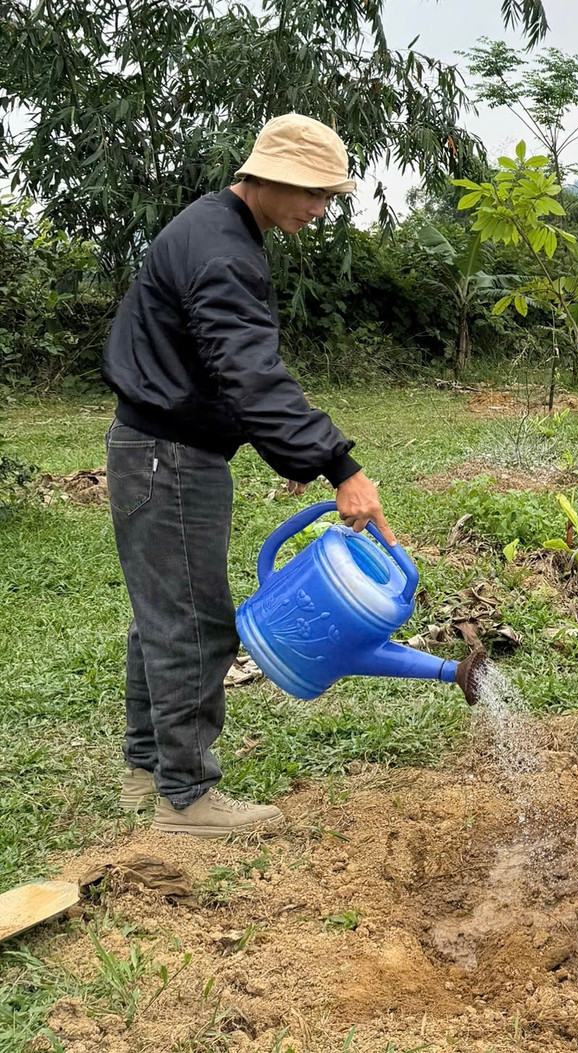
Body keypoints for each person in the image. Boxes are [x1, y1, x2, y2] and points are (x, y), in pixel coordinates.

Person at [103, 114, 394, 837]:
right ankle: (187, 798)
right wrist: (337, 463)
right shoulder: (226, 251)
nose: (321, 209)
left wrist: (275, 443)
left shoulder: (214, 228)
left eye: (329, 195)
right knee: (195, 625)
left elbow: (218, 371)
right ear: (267, 174)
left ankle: (146, 769)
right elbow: (252, 372)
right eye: (313, 192)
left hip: (156, 447)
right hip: (169, 460)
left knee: (162, 618)